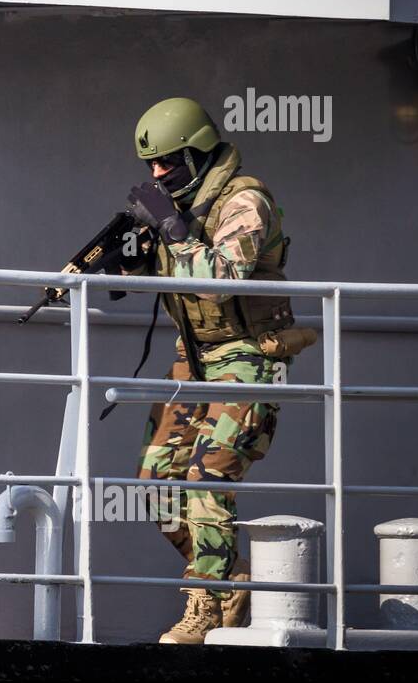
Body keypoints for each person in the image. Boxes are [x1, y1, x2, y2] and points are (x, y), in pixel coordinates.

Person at [122, 97, 312, 644]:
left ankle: (203, 605)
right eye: (151, 166)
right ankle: (230, 581)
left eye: (169, 163)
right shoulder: (183, 206)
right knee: (154, 484)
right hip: (194, 357)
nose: (158, 174)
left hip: (247, 356)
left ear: (201, 154)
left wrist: (171, 229)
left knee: (207, 482)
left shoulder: (245, 202)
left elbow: (220, 277)